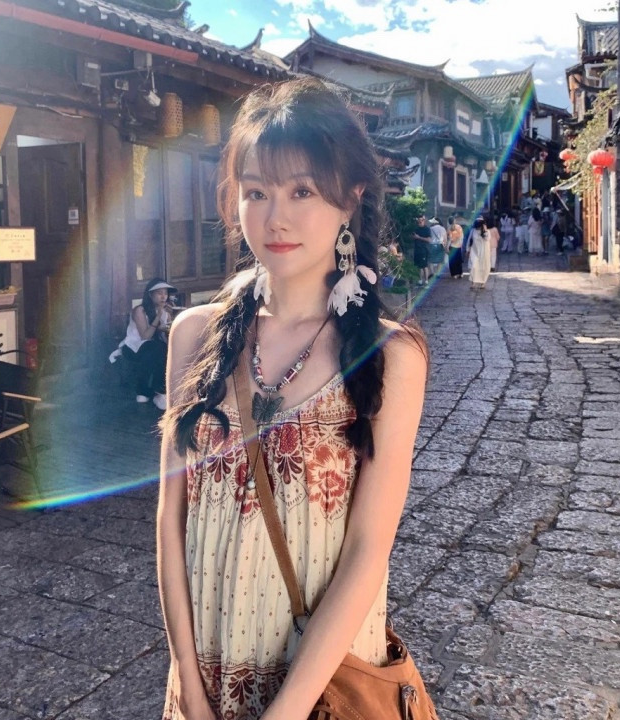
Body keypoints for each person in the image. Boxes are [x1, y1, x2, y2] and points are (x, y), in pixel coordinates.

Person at [157, 77, 428, 720]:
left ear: (350, 197)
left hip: (321, 688)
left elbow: (367, 550)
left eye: (301, 190)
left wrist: (285, 712)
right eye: (256, 192)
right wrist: (189, 684)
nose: (274, 217)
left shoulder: (390, 356)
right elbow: (171, 520)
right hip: (205, 677)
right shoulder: (194, 336)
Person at [119, 277, 174, 410]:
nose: (163, 296)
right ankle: (156, 391)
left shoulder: (164, 310)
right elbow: (145, 336)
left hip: (153, 348)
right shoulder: (140, 310)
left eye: (165, 293)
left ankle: (150, 391)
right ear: (150, 295)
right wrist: (158, 316)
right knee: (158, 348)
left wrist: (169, 318)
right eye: (159, 293)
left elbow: (165, 333)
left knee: (164, 349)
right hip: (134, 347)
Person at [467, 216, 491, 289]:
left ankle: (483, 283)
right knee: (473, 267)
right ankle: (473, 283)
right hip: (475, 251)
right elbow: (469, 240)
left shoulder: (487, 232)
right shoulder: (473, 231)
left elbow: (487, 238)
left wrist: (485, 230)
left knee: (484, 267)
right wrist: (468, 249)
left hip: (484, 252)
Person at [412, 214, 431, 286]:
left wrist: (419, 237)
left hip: (424, 249)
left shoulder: (427, 229)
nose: (419, 222)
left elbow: (429, 240)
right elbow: (413, 237)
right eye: (418, 221)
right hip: (417, 249)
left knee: (424, 266)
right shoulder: (416, 229)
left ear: (424, 221)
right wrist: (413, 237)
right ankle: (420, 280)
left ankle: (426, 280)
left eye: (421, 221)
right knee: (419, 266)